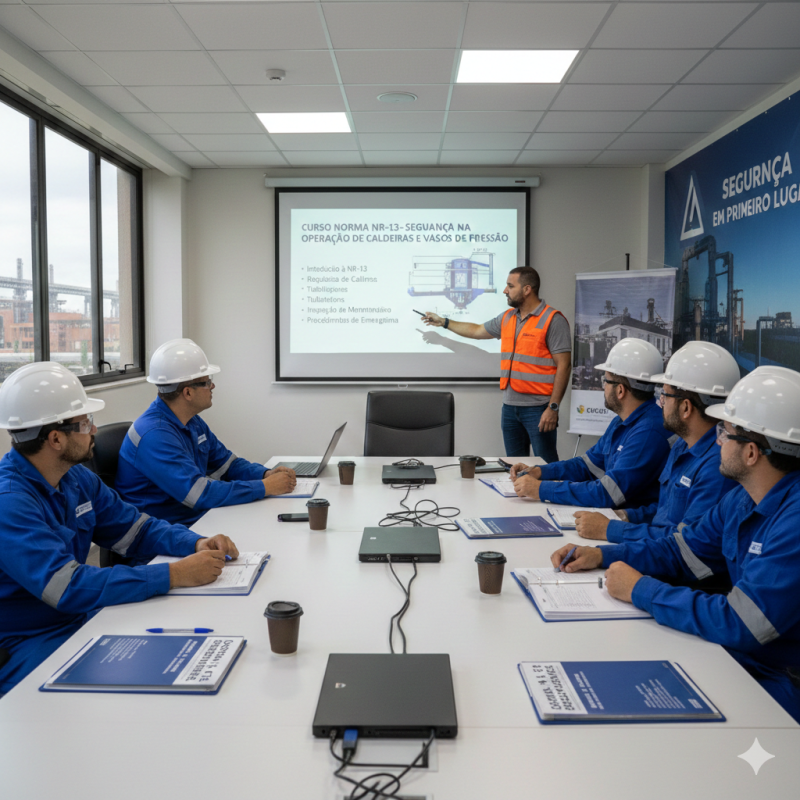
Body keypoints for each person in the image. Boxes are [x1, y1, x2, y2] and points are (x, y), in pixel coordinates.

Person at [550, 366, 800, 722]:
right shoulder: (744, 500)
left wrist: (642, 590)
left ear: (752, 453)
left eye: (725, 432)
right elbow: (681, 550)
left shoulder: (793, 521)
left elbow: (743, 624)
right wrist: (601, 555)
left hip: (776, 684)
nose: (716, 441)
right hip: (736, 656)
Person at [0, 362, 239, 695]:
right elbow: (67, 587)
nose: (94, 430)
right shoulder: (9, 503)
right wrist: (173, 575)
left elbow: (135, 528)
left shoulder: (76, 478)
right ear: (55, 438)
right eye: (85, 423)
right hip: (28, 640)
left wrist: (195, 543)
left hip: (79, 617)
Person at [116, 339, 296, 526]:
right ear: (187, 393)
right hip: (166, 535)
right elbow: (199, 494)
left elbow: (227, 465)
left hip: (194, 521)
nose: (212, 387)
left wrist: (264, 474)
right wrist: (264, 487)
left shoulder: (191, 421)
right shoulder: (154, 435)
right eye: (206, 382)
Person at [574, 341, 740, 542]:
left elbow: (683, 547)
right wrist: (628, 516)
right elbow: (665, 513)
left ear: (686, 408)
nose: (660, 403)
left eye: (665, 395)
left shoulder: (716, 466)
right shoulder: (682, 445)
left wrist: (610, 532)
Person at [421, 266, 571, 463]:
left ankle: (551, 495)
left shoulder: (553, 320)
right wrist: (444, 322)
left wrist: (553, 407)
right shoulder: (508, 318)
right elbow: (476, 331)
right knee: (515, 466)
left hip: (538, 408)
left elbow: (565, 365)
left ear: (527, 289)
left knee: (547, 465)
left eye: (510, 286)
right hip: (509, 407)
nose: (505, 290)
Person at [511, 338, 673, 509]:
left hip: (630, 523)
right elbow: (587, 466)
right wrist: (540, 471)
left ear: (620, 390)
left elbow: (608, 494)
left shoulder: (649, 432)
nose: (603, 387)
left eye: (606, 380)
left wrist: (541, 489)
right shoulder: (623, 421)